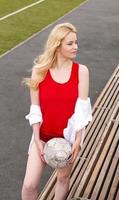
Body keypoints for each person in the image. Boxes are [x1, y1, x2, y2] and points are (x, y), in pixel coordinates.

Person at [21, 22, 92, 200]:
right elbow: (35, 108)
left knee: (62, 178)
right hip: (42, 136)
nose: (76, 47)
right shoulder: (39, 71)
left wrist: (78, 139)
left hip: (67, 139)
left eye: (76, 42)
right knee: (29, 185)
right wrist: (37, 139)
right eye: (70, 43)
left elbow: (82, 109)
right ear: (57, 45)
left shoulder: (81, 71)